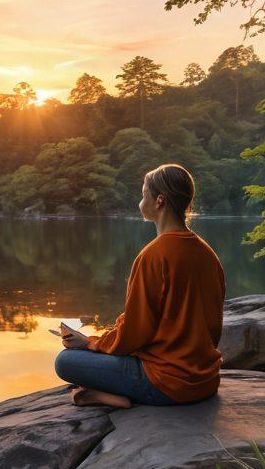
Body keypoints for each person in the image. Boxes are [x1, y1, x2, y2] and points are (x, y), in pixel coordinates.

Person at [54, 163, 225, 409]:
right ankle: (107, 394)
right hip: (205, 381)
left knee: (66, 361)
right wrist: (102, 340)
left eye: (144, 194)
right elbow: (212, 327)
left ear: (159, 200)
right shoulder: (208, 254)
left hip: (166, 384)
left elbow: (135, 332)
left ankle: (113, 395)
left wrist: (92, 343)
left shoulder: (153, 255)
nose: (141, 201)